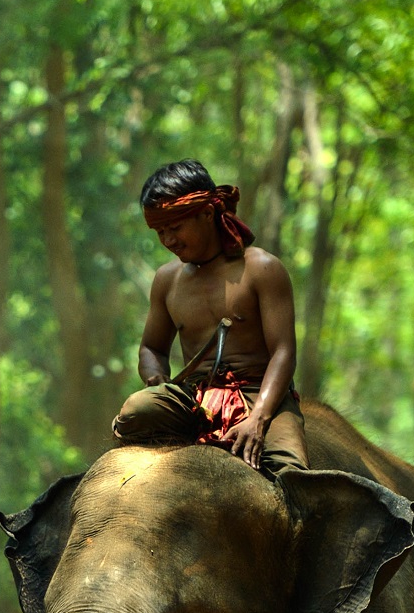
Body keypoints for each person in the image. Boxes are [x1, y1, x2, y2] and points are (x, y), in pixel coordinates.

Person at [110, 159, 309, 475]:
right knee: (136, 410)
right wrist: (156, 378)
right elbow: (152, 348)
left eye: (175, 227)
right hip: (193, 398)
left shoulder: (262, 269)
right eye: (160, 231)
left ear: (208, 212)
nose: (168, 240)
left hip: (257, 393)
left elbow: (284, 353)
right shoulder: (167, 280)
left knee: (292, 477)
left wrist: (258, 418)